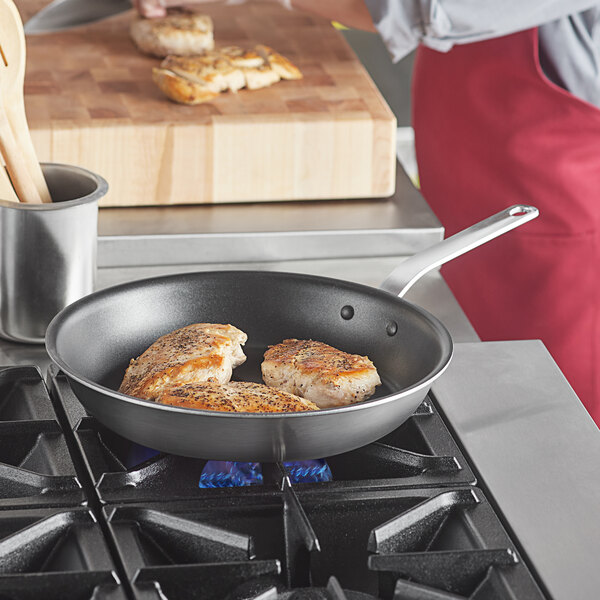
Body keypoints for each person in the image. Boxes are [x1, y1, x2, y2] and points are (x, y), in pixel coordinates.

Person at [137, 0, 600, 426]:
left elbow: (419, 6)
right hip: (468, 181)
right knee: (486, 389)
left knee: (551, 412)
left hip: (559, 206)